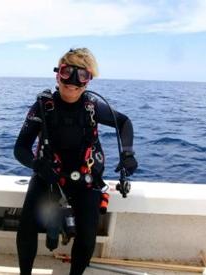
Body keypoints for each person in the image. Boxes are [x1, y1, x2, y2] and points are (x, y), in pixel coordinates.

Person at [14, 47, 138, 275]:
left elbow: (124, 122)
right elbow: (20, 148)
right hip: (48, 175)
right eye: (66, 72)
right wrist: (36, 164)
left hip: (85, 178)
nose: (72, 82)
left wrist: (128, 153)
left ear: (88, 80)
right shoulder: (43, 107)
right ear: (57, 75)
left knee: (88, 234)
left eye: (81, 75)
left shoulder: (93, 108)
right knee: (26, 227)